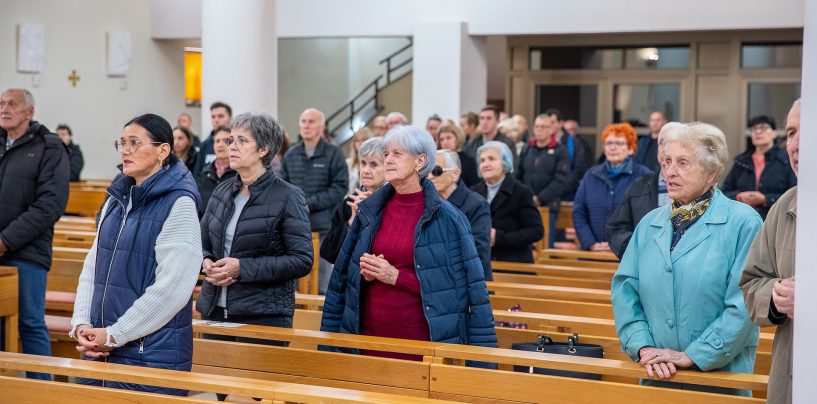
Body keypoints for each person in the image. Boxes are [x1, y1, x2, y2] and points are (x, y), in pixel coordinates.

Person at [320, 125, 496, 363]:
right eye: (386, 154)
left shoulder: (448, 218)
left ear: (420, 161)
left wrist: (397, 277)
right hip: (367, 337)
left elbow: (462, 289)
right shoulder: (370, 211)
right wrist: (365, 275)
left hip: (421, 342)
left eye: (397, 154)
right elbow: (340, 280)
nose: (388, 160)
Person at [611, 122, 761, 397]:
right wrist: (643, 347)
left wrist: (694, 355)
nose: (670, 171)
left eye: (682, 163)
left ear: (711, 172)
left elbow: (745, 304)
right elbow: (625, 290)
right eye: (667, 162)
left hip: (719, 382)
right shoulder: (649, 224)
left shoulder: (743, 223)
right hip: (657, 377)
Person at [70, 113, 202, 395]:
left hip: (149, 354)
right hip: (100, 348)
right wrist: (82, 324)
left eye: (134, 142)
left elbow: (172, 290)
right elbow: (93, 267)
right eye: (122, 143)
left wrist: (115, 334)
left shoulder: (179, 204)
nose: (125, 150)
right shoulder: (116, 200)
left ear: (163, 150)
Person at [196, 112, 313, 399]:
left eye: (241, 141)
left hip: (262, 314)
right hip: (216, 310)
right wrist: (205, 261)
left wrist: (242, 268)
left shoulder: (288, 196)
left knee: (254, 396)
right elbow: (201, 240)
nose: (231, 146)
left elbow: (301, 259)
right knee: (222, 394)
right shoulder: (223, 190)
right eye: (230, 140)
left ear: (263, 149)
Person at [0, 88, 69, 380]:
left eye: (12, 104)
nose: (4, 109)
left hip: (27, 253)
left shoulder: (49, 146)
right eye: (1, 103)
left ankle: (43, 391)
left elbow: (50, 205)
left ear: (30, 112)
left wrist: (5, 241)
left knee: (30, 323)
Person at [740, 99, 801, 404]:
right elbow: (751, 283)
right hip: (791, 380)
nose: (796, 144)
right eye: (791, 133)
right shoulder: (785, 205)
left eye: (808, 131)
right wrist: (776, 295)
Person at [280, 108, 348, 294]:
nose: (306, 125)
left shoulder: (334, 154)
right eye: (303, 121)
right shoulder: (291, 154)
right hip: (295, 227)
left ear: (322, 126)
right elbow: (282, 186)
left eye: (311, 121)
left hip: (323, 228)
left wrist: (308, 203)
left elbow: (339, 188)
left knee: (322, 283)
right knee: (295, 282)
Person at [573, 123, 650, 252]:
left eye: (619, 143)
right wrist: (591, 243)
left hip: (628, 254)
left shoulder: (644, 176)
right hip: (593, 252)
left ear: (631, 149)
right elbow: (579, 212)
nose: (613, 147)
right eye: (609, 143)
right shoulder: (591, 175)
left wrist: (620, 244)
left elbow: (647, 218)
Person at [606, 124, 672, 259]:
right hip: (641, 263)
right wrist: (636, 250)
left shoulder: (698, 189)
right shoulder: (640, 185)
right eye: (661, 143)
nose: (666, 149)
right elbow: (617, 229)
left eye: (673, 142)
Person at [472, 141, 543, 263]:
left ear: (505, 163)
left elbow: (535, 231)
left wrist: (499, 237)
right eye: (482, 160)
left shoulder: (521, 192)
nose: (485, 164)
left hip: (513, 263)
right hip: (481, 261)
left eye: (491, 159)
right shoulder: (474, 192)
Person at [320, 137, 386, 264]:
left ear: (387, 168)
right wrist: (352, 222)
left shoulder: (395, 202)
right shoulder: (349, 203)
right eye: (363, 163)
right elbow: (329, 253)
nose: (366, 170)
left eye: (374, 165)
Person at [429, 150, 492, 280]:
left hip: (469, 281)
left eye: (436, 171)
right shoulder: (426, 203)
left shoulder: (477, 204)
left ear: (455, 174)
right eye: (426, 172)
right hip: (434, 279)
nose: (430, 176)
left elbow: (478, 252)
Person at [722, 115, 796, 219]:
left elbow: (794, 195)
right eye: (754, 129)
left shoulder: (786, 160)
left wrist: (765, 199)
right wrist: (739, 196)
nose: (758, 132)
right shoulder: (741, 161)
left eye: (764, 128)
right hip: (744, 220)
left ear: (774, 133)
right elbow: (724, 192)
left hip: (776, 219)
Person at [516, 114, 570, 248]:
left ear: (551, 130)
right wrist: (525, 196)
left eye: (543, 126)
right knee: (525, 243)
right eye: (536, 126)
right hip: (526, 203)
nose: (539, 129)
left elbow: (561, 180)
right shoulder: (527, 148)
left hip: (548, 205)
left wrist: (539, 198)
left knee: (545, 244)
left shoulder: (560, 151)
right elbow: (519, 174)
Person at [547, 110, 592, 202]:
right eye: (547, 123)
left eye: (552, 122)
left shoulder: (574, 143)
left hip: (567, 192)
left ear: (561, 123)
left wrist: (563, 187)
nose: (549, 126)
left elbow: (578, 169)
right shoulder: (542, 143)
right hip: (546, 193)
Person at [195, 125, 236, 216]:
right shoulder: (205, 173)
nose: (220, 144)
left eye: (226, 141)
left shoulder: (241, 174)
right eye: (217, 141)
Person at [193, 101, 232, 175]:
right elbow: (197, 173)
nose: (216, 120)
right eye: (213, 117)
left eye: (220, 116)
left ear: (230, 118)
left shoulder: (238, 142)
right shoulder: (205, 144)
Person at [438, 122, 479, 187]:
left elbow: (475, 186)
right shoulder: (439, 162)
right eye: (442, 139)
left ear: (457, 138)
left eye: (449, 138)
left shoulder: (469, 162)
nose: (445, 142)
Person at [346, 127, 373, 194]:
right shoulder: (347, 163)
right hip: (351, 198)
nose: (360, 143)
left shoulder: (377, 162)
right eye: (357, 140)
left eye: (364, 139)